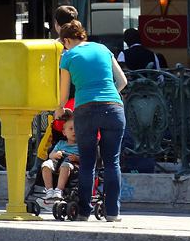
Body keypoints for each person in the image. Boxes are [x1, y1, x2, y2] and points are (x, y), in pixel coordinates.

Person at [56, 20, 128, 222]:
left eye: (64, 43)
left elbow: (63, 94)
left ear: (67, 40)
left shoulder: (68, 56)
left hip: (85, 110)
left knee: (87, 163)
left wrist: (60, 109)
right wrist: (108, 95)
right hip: (113, 108)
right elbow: (122, 81)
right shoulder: (104, 49)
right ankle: (113, 213)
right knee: (112, 161)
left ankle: (83, 212)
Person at [41, 111, 79, 200]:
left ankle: (59, 190)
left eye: (77, 129)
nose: (74, 131)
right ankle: (49, 190)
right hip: (57, 162)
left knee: (66, 166)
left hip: (72, 164)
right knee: (46, 165)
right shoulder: (61, 143)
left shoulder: (81, 145)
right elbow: (50, 155)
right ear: (64, 132)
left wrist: (77, 158)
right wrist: (55, 154)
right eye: (71, 129)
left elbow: (85, 159)